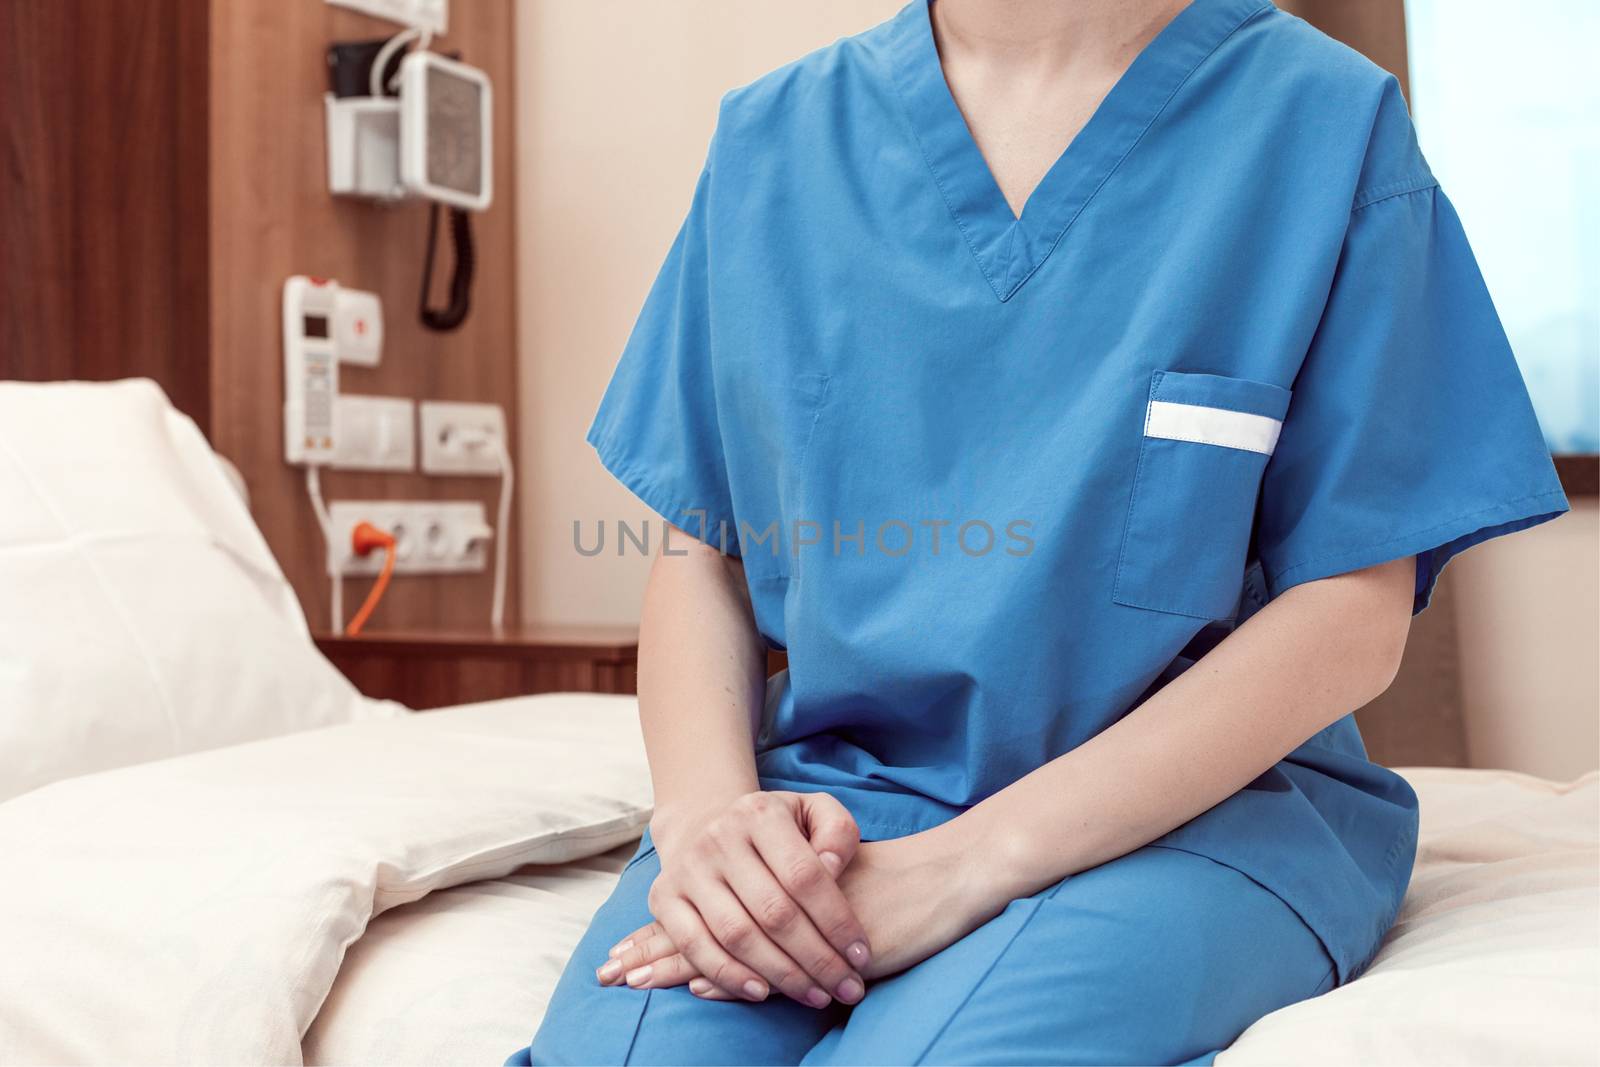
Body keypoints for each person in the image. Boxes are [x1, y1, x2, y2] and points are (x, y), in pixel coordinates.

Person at [511, 0, 1568, 1062]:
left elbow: (1351, 613)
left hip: (1195, 818)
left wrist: (964, 864)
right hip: (824, 804)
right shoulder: (773, 138)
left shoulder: (1320, 122)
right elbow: (704, 553)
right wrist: (706, 820)